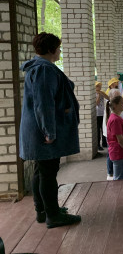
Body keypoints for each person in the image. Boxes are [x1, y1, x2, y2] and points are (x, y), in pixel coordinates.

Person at [19, 32, 81, 228]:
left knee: (41, 171)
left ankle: (43, 210)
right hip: (43, 132)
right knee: (47, 173)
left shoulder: (41, 68)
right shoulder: (44, 70)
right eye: (58, 47)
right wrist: (49, 132)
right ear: (51, 49)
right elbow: (44, 104)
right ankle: (53, 215)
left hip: (38, 130)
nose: (60, 50)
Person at [95, 82, 108, 150]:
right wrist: (98, 95)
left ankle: (104, 143)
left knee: (103, 129)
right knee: (98, 130)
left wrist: (102, 93)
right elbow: (97, 103)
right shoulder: (94, 94)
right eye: (97, 86)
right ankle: (98, 145)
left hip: (102, 113)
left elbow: (108, 97)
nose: (99, 87)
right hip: (97, 114)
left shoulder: (101, 92)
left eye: (100, 86)